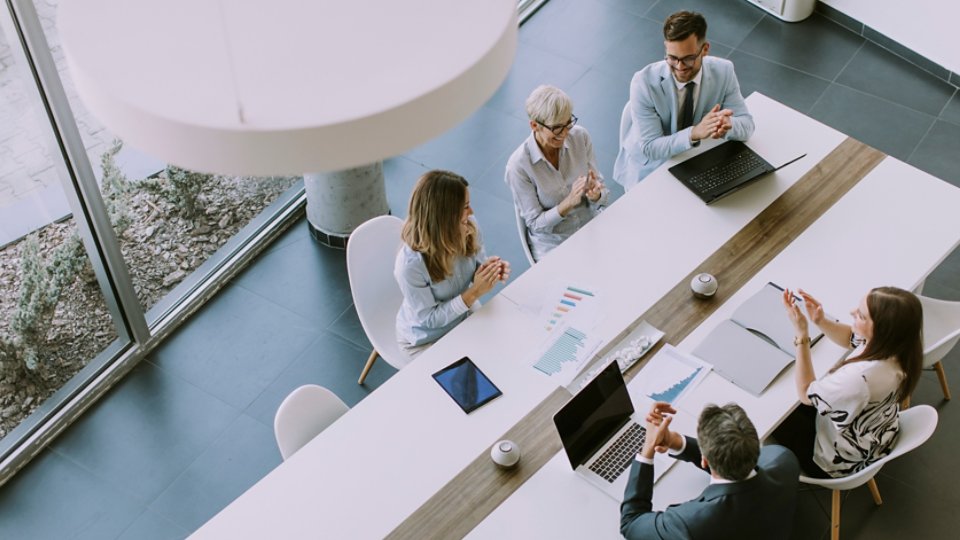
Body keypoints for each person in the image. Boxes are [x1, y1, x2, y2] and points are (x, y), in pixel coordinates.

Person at [774, 287, 923, 478]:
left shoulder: (860, 378)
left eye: (861, 315)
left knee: (775, 413)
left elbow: (805, 392)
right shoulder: (899, 346)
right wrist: (820, 321)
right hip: (875, 435)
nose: (852, 312)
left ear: (881, 329)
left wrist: (801, 335)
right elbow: (850, 338)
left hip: (837, 459)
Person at [613, 10, 754, 190]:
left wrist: (727, 124)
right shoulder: (643, 83)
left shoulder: (724, 71)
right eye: (672, 58)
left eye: (688, 59)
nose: (679, 67)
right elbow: (650, 147)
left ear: (705, 49)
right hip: (651, 167)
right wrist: (694, 133)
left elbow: (747, 126)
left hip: (694, 160)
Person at [621, 402, 799, 539]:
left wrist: (648, 449)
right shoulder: (783, 459)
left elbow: (631, 522)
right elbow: (737, 460)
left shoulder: (689, 524)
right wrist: (676, 442)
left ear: (704, 460)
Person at [394, 170, 510, 357]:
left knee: (504, 350)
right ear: (445, 217)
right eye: (466, 207)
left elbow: (476, 264)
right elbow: (429, 319)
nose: (471, 212)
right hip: (426, 339)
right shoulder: (410, 265)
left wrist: (488, 270)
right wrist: (474, 292)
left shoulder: (468, 225)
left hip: (463, 316)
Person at [505, 85, 608, 262]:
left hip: (591, 227)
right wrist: (568, 203)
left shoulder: (580, 137)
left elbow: (603, 195)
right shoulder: (518, 167)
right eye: (557, 128)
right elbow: (536, 224)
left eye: (568, 123)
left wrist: (596, 194)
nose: (565, 133)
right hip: (554, 245)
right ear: (534, 125)